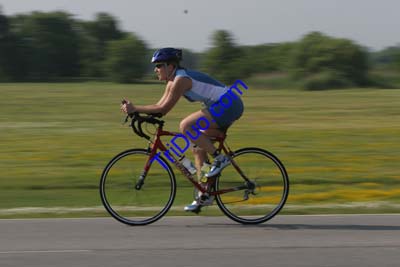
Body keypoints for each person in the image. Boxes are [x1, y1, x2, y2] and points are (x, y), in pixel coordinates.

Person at [120, 48, 244, 211]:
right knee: (198, 148)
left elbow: (164, 108)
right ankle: (204, 195)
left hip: (229, 103)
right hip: (221, 106)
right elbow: (159, 107)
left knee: (186, 126)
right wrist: (138, 112)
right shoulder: (172, 82)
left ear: (170, 66)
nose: (155, 69)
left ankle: (219, 159)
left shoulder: (181, 79)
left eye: (159, 65)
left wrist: (136, 108)